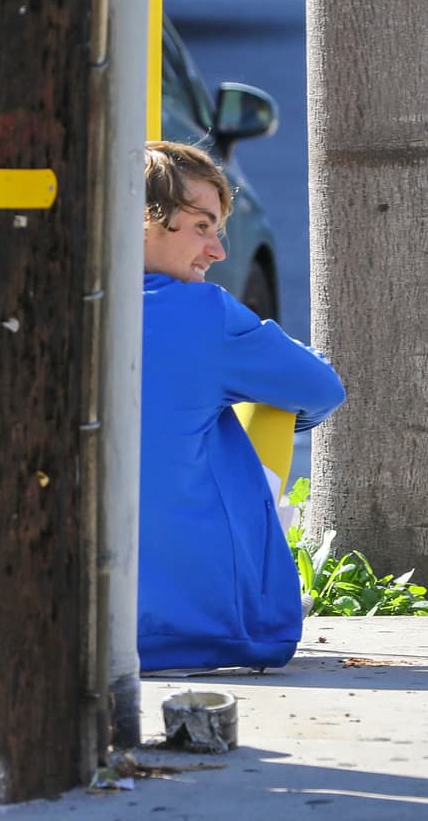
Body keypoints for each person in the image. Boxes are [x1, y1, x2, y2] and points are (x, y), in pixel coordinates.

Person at [137, 141, 346, 671]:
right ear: (144, 218)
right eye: (202, 226)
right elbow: (321, 387)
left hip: (71, 625)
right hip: (204, 630)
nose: (218, 251)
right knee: (257, 408)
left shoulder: (58, 300)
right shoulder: (203, 314)